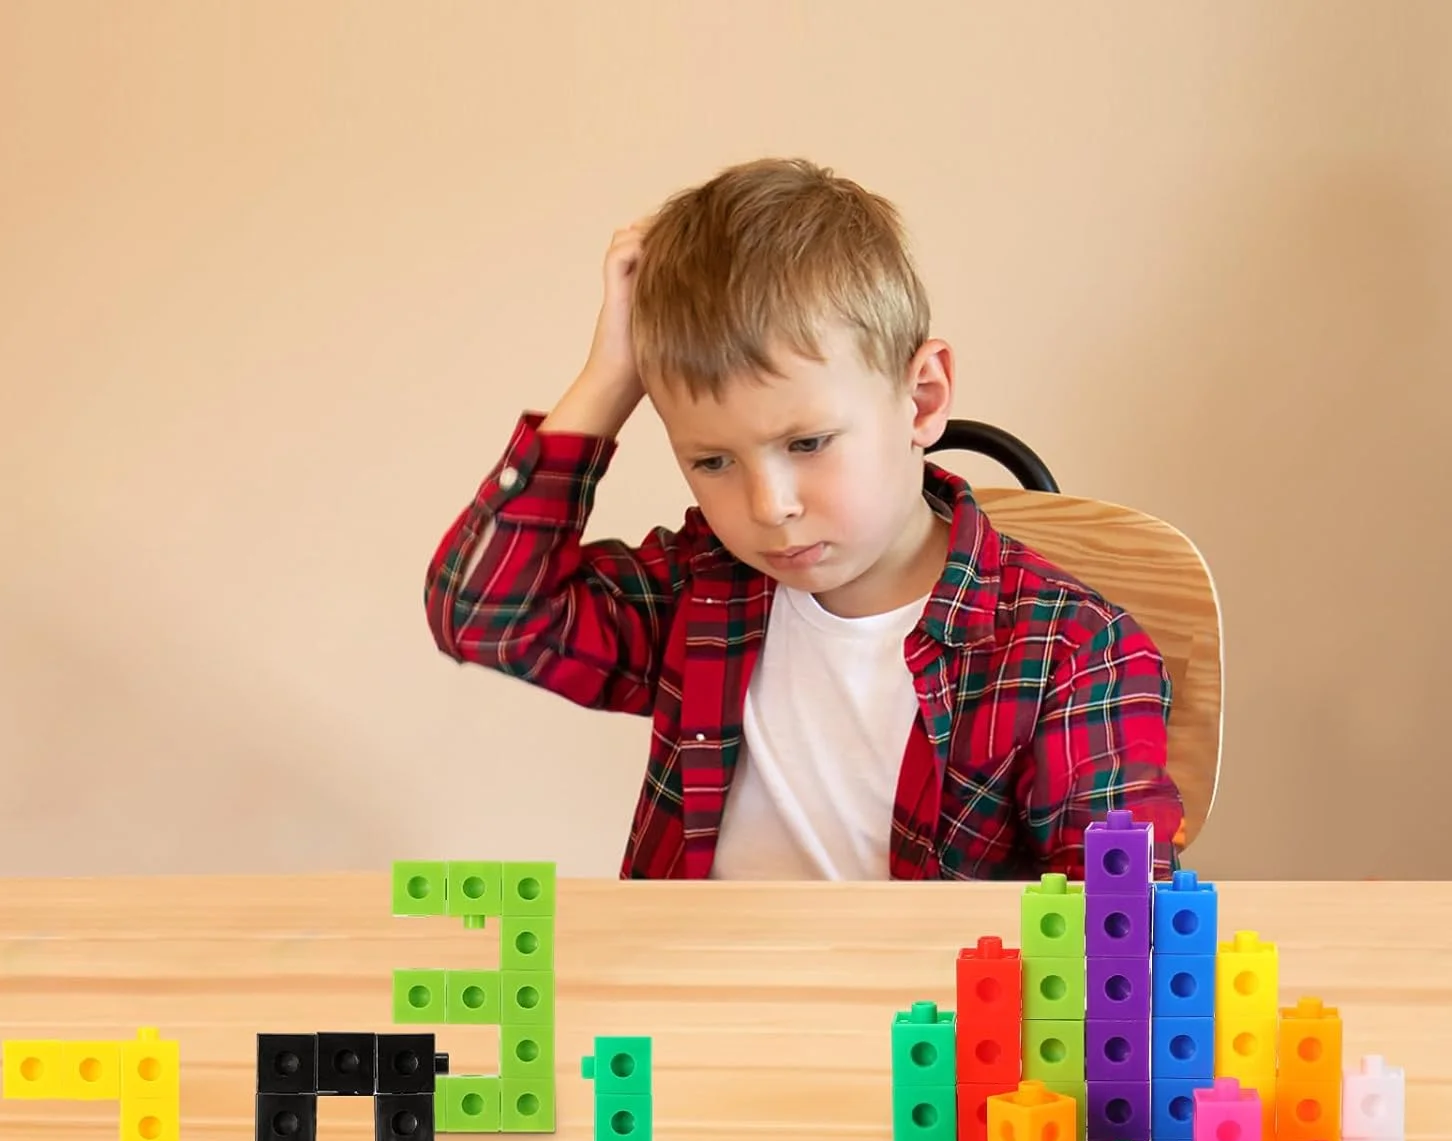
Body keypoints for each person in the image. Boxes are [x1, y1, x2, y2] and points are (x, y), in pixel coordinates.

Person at [424, 156, 1185, 881]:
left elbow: (1119, 921)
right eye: (713, 461)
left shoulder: (1069, 651)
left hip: (917, 982)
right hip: (696, 972)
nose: (770, 507)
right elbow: (484, 613)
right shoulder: (703, 588)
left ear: (922, 399)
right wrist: (610, 377)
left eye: (808, 443)